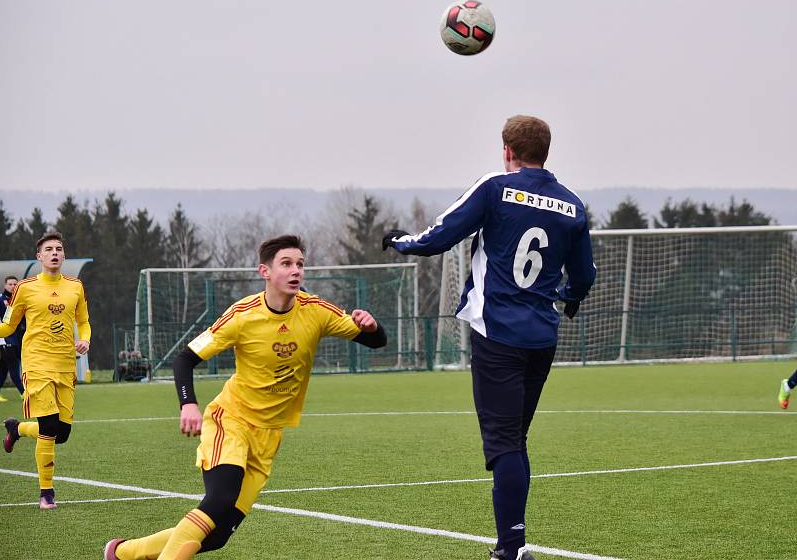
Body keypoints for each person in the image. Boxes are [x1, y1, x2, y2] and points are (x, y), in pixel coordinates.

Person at [382, 115, 596, 560]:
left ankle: (512, 548)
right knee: (515, 440)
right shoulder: (573, 206)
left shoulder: (496, 187)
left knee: (504, 443)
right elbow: (584, 275)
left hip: (496, 332)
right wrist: (570, 299)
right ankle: (513, 543)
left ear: (507, 151)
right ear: (547, 152)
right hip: (542, 337)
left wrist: (402, 241)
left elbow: (439, 236)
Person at [104, 234, 387, 560]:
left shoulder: (316, 311)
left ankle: (122, 553)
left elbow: (376, 342)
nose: (296, 271)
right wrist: (189, 405)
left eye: (300, 264)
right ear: (264, 272)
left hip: (268, 436)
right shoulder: (242, 315)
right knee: (219, 501)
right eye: (286, 264)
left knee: (218, 535)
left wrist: (371, 325)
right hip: (231, 421)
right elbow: (185, 359)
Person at [0, 232, 91, 510]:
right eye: (48, 249)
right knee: (49, 427)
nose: (54, 253)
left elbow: (84, 322)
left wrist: (85, 338)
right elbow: (8, 327)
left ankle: (17, 429)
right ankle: (46, 494)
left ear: (63, 256)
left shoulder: (76, 286)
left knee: (61, 433)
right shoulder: (24, 288)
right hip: (36, 364)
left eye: (59, 249)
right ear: (39, 256)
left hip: (65, 365)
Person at [0, 276, 26, 402]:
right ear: (5, 285)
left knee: (4, 369)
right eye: (10, 284)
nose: (13, 286)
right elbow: (6, 320)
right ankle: (24, 393)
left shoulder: (18, 299)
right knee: (14, 366)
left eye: (15, 284)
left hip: (16, 338)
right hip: (4, 338)